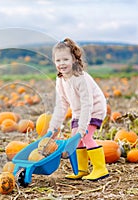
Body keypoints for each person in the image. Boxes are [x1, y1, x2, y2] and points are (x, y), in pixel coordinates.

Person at [47, 38, 109, 181]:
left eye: (65, 59)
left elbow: (88, 104)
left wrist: (82, 128)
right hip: (78, 112)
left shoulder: (80, 78)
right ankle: (82, 169)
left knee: (85, 136)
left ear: (74, 59)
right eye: (58, 60)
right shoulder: (61, 79)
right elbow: (62, 104)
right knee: (76, 140)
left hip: (94, 109)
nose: (61, 64)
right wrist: (54, 127)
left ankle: (100, 169)